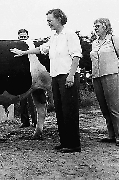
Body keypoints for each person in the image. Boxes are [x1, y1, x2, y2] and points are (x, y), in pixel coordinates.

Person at [11, 9, 82, 153]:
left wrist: (71, 75)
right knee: (60, 110)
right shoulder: (54, 37)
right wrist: (24, 52)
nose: (48, 23)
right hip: (55, 77)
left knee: (69, 111)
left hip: (67, 76)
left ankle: (74, 144)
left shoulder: (69, 34)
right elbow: (42, 49)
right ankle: (64, 142)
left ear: (59, 19)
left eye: (50, 20)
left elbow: (76, 56)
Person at [90, 18, 119, 146]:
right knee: (104, 107)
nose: (95, 28)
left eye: (98, 26)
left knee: (114, 106)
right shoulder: (94, 43)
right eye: (94, 26)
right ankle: (111, 135)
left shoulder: (113, 39)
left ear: (106, 27)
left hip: (112, 74)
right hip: (97, 76)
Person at [17, 29, 37, 128]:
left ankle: (35, 121)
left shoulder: (31, 47)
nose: (23, 39)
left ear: (27, 37)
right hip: (20, 77)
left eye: (25, 37)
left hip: (31, 76)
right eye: (21, 37)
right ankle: (25, 122)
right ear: (18, 37)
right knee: (22, 101)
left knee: (33, 100)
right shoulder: (16, 48)